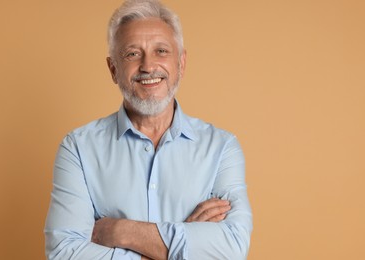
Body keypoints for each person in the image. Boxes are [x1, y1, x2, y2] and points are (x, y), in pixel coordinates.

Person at [44, 0, 253, 259]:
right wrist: (187, 240)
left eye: (161, 51)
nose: (148, 66)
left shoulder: (221, 148)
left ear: (182, 63)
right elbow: (64, 252)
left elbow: (232, 248)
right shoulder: (77, 148)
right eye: (132, 54)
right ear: (113, 69)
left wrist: (123, 232)